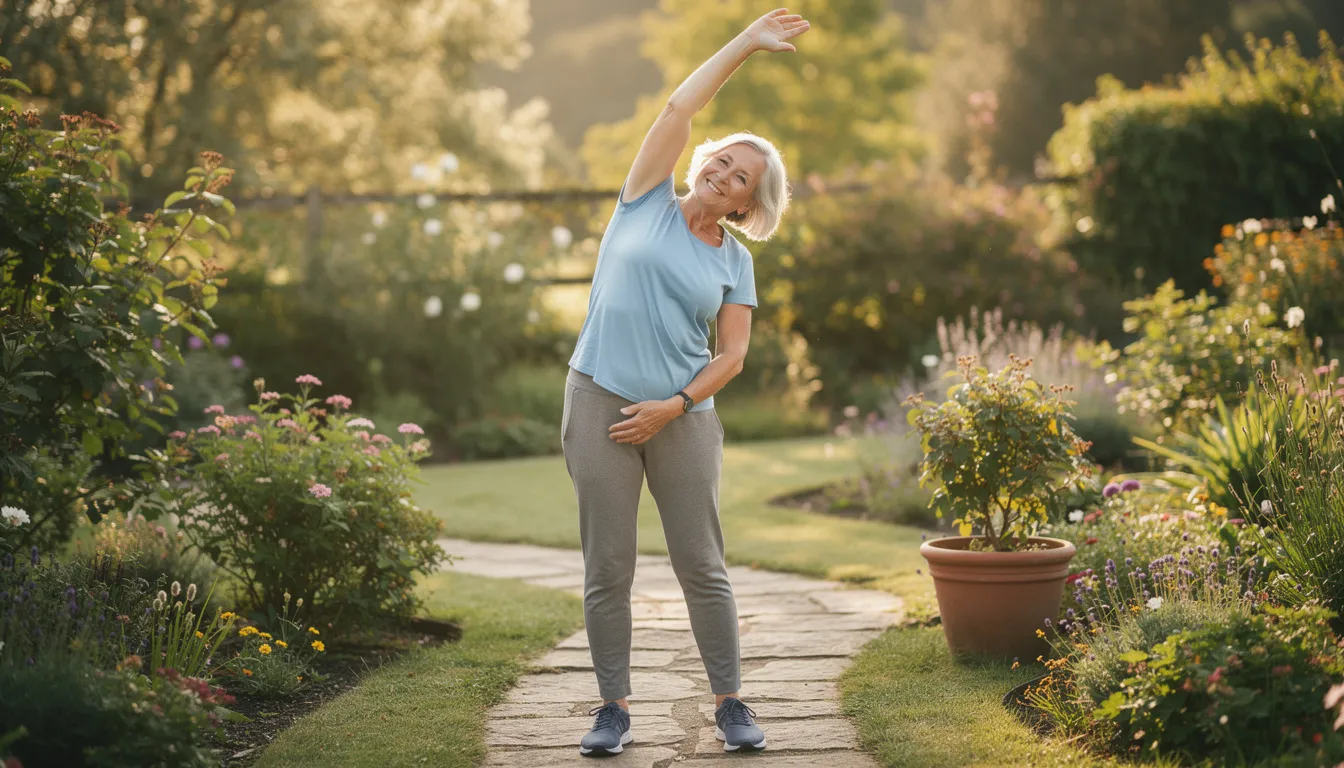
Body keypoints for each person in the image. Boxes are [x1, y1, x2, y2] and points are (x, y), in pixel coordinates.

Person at [560, 7, 810, 758]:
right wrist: (745, 45)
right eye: (723, 160)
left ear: (746, 205)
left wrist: (673, 407)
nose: (724, 174)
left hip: (683, 416)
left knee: (702, 564)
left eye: (741, 178)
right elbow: (678, 105)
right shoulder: (641, 200)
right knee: (608, 565)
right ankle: (613, 709)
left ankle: (731, 703)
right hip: (600, 398)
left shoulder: (736, 260)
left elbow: (730, 357)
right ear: (703, 160)